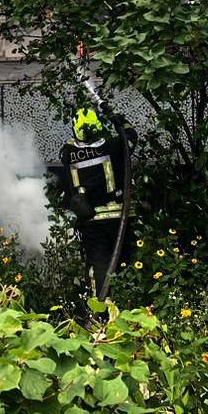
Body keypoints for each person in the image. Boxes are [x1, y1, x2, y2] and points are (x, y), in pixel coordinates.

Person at [58, 105, 137, 296]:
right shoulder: (112, 147)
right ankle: (129, 304)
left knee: (98, 267)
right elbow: (131, 137)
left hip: (91, 221)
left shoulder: (68, 154)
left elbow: (70, 147)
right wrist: (118, 119)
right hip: (119, 218)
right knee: (125, 262)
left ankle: (99, 311)